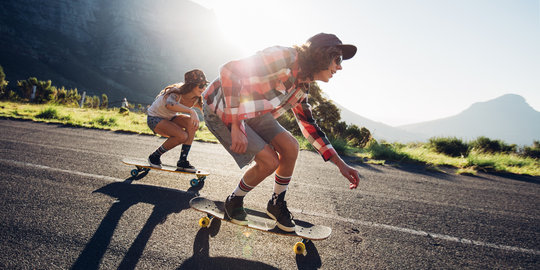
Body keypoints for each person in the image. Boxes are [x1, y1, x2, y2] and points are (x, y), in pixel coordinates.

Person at [202, 33, 361, 232]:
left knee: (291, 146)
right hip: (221, 107)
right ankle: (234, 201)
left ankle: (276, 204)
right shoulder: (284, 57)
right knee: (269, 161)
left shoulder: (302, 87)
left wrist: (340, 164)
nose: (340, 67)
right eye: (337, 59)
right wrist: (236, 125)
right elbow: (229, 71)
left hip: (252, 110)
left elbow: (308, 124)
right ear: (322, 54)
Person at [146, 69, 209, 172]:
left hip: (170, 118)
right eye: (200, 86)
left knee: (192, 124)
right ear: (191, 85)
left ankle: (182, 161)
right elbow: (169, 105)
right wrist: (191, 111)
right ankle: (154, 156)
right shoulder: (176, 92)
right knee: (182, 136)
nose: (203, 89)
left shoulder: (197, 98)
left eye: (205, 85)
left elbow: (208, 114)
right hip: (154, 118)